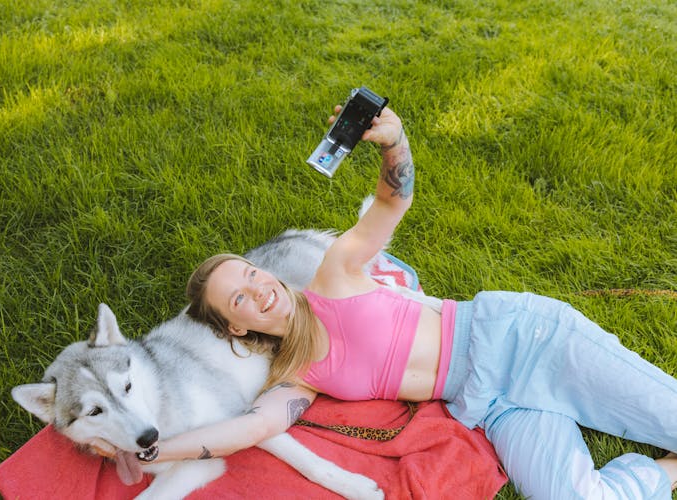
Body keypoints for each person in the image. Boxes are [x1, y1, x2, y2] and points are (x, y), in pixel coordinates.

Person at [107, 106, 677, 499]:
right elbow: (246, 431)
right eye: (240, 296)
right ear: (234, 327)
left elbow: (390, 203)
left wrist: (395, 143)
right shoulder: (296, 377)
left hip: (522, 341)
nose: (259, 286)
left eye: (252, 272)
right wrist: (154, 451)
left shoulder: (332, 275)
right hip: (491, 405)